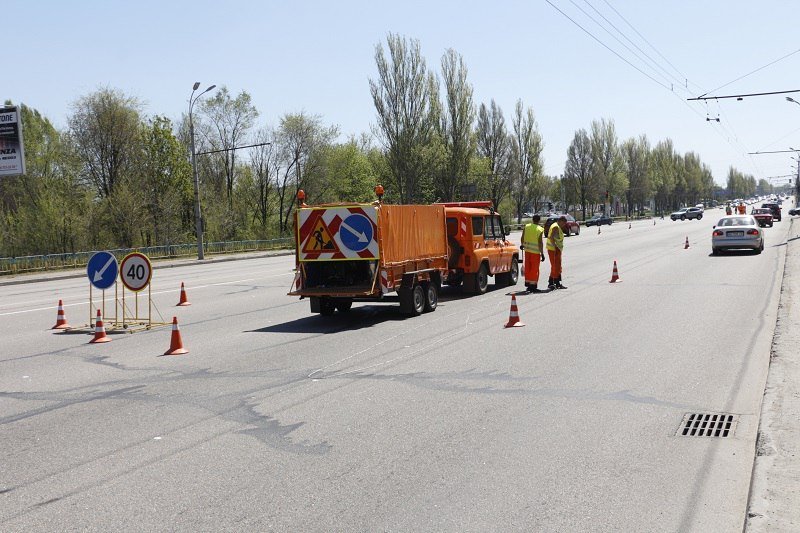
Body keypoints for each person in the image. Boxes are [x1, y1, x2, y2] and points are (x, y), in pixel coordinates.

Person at [520, 214, 545, 292]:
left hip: (527, 251)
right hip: (535, 252)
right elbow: (540, 242)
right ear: (539, 220)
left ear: (532, 219)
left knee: (528, 267)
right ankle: (533, 286)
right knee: (534, 269)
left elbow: (522, 237)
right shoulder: (540, 229)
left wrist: (522, 244)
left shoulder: (526, 227)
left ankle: (528, 283)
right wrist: (542, 253)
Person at [547, 216, 567, 290]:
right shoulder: (555, 227)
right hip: (554, 250)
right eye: (564, 223)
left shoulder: (556, 225)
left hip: (556, 249)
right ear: (561, 221)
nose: (564, 225)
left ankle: (557, 282)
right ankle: (552, 282)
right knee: (555, 266)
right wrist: (555, 246)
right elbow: (552, 237)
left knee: (557, 266)